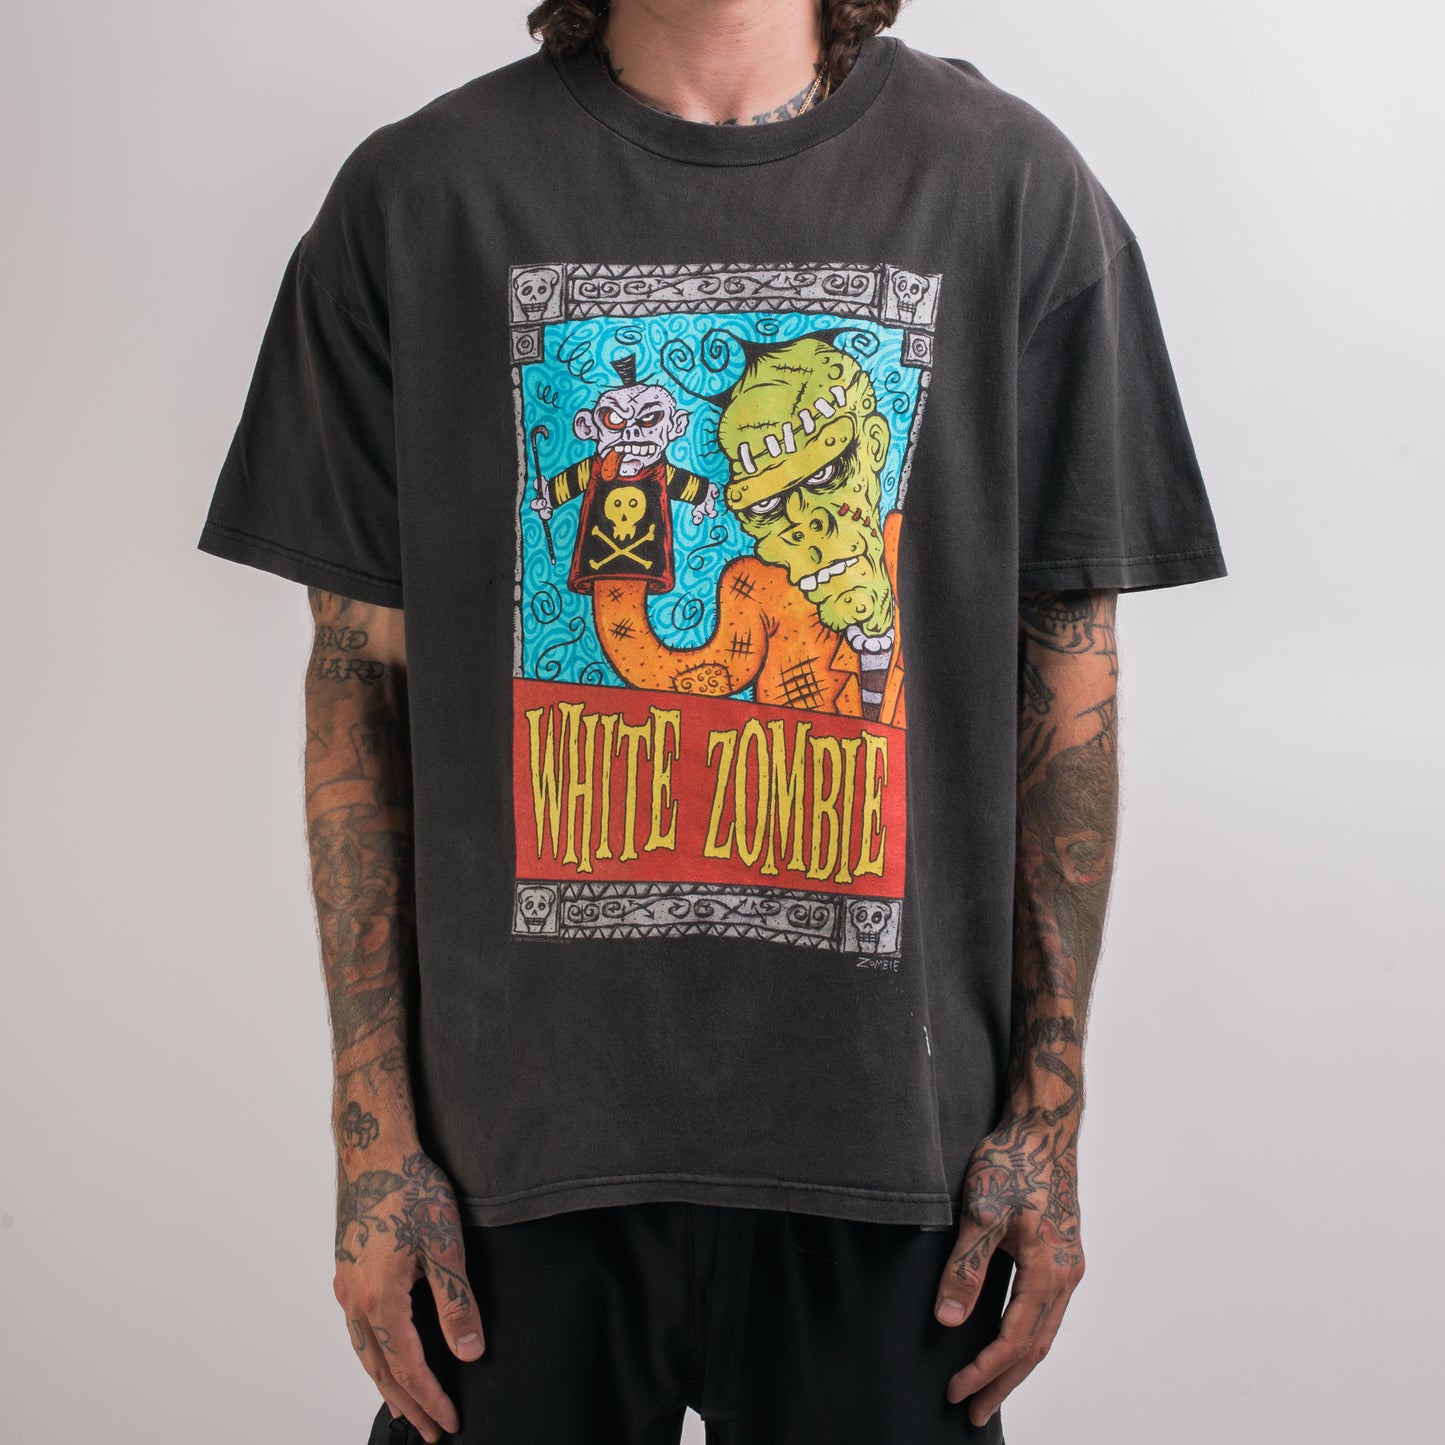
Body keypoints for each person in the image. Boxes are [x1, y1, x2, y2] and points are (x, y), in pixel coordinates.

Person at [196, 0, 1226, 1439]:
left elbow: (1068, 686)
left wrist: (1044, 1124)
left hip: (896, 1163)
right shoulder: (420, 199)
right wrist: (371, 1143)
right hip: (512, 1169)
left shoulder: (1008, 191)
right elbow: (360, 692)